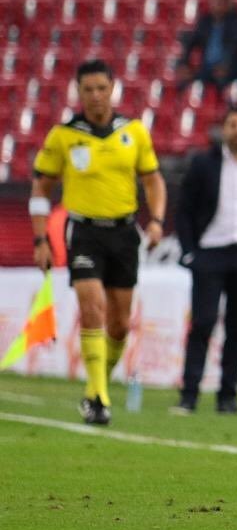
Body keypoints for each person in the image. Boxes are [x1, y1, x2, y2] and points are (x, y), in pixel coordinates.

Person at [30, 60, 166, 426]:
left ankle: (94, 388)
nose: (95, 96)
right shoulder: (63, 136)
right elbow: (41, 189)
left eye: (101, 88)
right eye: (88, 89)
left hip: (124, 233)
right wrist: (40, 239)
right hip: (84, 232)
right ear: (78, 92)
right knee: (92, 308)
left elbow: (153, 180)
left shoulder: (133, 132)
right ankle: (101, 400)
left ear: (112, 89)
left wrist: (156, 221)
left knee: (119, 324)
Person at [173, 107, 237, 416]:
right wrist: (189, 252)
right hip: (210, 252)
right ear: (223, 130)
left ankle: (228, 397)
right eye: (233, 124)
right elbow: (184, 209)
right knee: (203, 323)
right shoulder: (204, 164)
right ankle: (189, 396)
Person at [180, 0, 237, 91]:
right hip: (208, 68)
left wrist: (226, 65)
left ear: (227, 3)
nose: (216, 5)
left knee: (222, 82)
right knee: (186, 83)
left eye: (219, 1)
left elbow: (236, 48)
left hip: (231, 68)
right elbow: (191, 42)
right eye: (214, 1)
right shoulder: (205, 21)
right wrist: (184, 63)